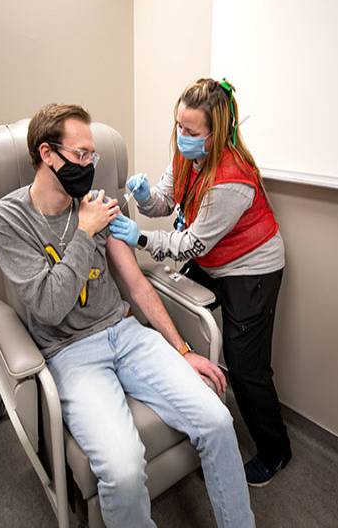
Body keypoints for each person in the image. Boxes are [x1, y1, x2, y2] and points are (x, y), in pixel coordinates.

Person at [0, 103, 254, 528]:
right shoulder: (7, 218)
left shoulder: (98, 205)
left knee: (218, 420)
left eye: (94, 156)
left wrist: (182, 349)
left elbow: (137, 284)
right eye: (81, 155)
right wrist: (85, 230)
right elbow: (49, 307)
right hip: (70, 353)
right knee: (124, 468)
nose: (90, 165)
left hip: (125, 334)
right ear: (47, 153)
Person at [109, 78, 292, 487]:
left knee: (247, 368)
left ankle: (275, 450)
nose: (181, 136)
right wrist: (142, 198)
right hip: (213, 258)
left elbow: (191, 241)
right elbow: (165, 201)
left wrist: (138, 237)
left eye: (191, 132)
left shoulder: (232, 178)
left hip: (252, 268)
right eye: (178, 126)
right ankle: (197, 415)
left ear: (217, 133)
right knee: (173, 308)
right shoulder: (186, 155)